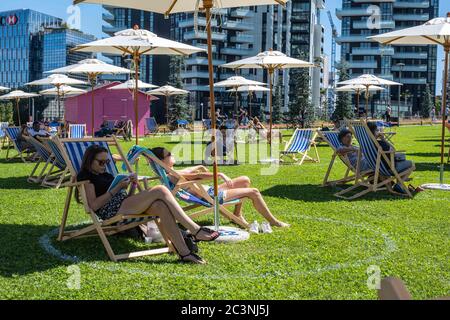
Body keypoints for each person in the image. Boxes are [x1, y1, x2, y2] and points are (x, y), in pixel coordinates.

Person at [76, 145, 219, 264]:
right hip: (111, 211)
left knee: (161, 206)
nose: (104, 166)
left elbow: (128, 197)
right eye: (101, 162)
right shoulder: (86, 177)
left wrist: (132, 185)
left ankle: (184, 253)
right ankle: (195, 230)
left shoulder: (106, 175)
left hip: (125, 204)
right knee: (161, 189)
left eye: (107, 162)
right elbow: (93, 206)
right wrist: (116, 189)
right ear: (90, 161)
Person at [150, 147, 290, 228]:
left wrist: (198, 166)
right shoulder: (174, 174)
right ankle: (274, 221)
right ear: (163, 161)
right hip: (210, 196)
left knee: (245, 180)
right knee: (254, 192)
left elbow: (189, 170)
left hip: (207, 191)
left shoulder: (170, 173)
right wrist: (220, 174)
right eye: (169, 154)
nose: (172, 154)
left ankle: (237, 215)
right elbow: (200, 176)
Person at [367, 122, 416, 192]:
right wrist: (383, 139)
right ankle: (399, 184)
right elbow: (393, 150)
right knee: (411, 164)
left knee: (403, 164)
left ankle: (398, 183)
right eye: (377, 130)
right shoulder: (381, 144)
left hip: (376, 167)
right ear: (374, 133)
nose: (379, 132)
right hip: (388, 168)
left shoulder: (367, 144)